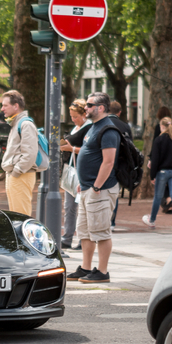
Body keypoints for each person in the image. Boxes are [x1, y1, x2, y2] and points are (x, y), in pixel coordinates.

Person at [67, 92, 119, 284]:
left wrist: (97, 186)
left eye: (89, 105)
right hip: (88, 188)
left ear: (101, 108)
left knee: (101, 231)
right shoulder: (93, 128)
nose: (86, 108)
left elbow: (108, 162)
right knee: (85, 231)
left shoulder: (108, 130)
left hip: (101, 190)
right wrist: (85, 183)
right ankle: (86, 267)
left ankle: (102, 271)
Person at [0, 90, 39, 216]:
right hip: (16, 174)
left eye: (5, 105)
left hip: (21, 174)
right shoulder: (17, 123)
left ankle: (23, 236)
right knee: (16, 213)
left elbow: (30, 154)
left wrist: (16, 171)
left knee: (21, 214)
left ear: (16, 106)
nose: (2, 109)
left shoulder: (25, 124)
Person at [60, 99, 92, 250]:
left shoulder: (89, 128)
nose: (73, 119)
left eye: (76, 116)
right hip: (72, 169)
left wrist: (70, 149)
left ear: (84, 114)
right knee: (69, 206)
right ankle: (67, 237)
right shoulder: (76, 128)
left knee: (80, 207)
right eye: (71, 116)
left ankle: (82, 238)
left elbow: (89, 150)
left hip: (81, 170)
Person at [143, 117, 172, 231]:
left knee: (158, 196)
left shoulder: (159, 140)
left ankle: (152, 220)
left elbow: (155, 159)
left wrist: (152, 175)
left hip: (162, 171)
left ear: (162, 127)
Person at [106, 101, 132, 228]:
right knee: (114, 193)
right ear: (119, 112)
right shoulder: (125, 126)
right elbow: (130, 147)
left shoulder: (103, 124)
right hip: (120, 165)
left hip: (105, 162)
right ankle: (112, 221)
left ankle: (105, 219)